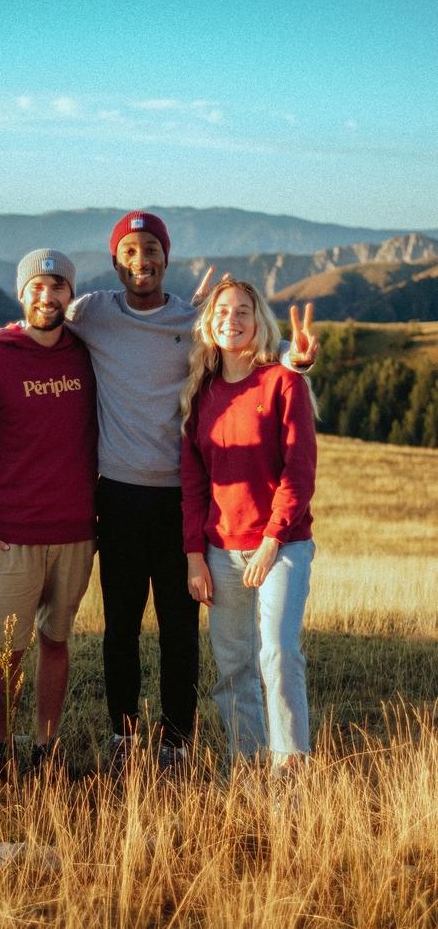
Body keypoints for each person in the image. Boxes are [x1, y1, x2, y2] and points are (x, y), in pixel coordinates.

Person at [65, 211, 318, 774]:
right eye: (130, 251)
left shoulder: (193, 318)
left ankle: (178, 741)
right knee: (121, 626)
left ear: (167, 257)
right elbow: (34, 327)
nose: (141, 261)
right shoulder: (93, 313)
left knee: (181, 629)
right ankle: (124, 736)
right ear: (115, 261)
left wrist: (294, 364)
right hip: (121, 497)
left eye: (151, 249)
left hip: (182, 500)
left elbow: (245, 360)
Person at [0, 249, 97, 782]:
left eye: (58, 286)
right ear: (22, 293)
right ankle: (0, 744)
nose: (48, 295)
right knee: (6, 652)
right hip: (12, 536)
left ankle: (46, 746)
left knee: (56, 641)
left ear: (70, 295)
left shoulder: (86, 354)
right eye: (38, 286)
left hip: (76, 531)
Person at [180, 279, 317, 775]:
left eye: (243, 310)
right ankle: (250, 765)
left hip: (281, 547)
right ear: (209, 321)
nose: (231, 320)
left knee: (278, 655)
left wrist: (270, 541)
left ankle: (290, 773)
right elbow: (193, 481)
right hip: (219, 550)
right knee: (233, 667)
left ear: (259, 320)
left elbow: (298, 472)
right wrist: (195, 554)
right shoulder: (201, 391)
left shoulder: (284, 381)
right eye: (222, 311)